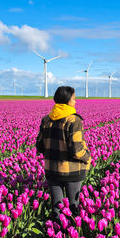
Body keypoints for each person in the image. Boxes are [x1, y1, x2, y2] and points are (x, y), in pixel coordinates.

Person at [36, 86, 91, 223]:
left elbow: (40, 146)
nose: (75, 101)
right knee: (73, 207)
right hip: (71, 171)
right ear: (67, 100)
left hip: (52, 170)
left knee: (56, 208)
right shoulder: (74, 120)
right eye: (73, 98)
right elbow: (77, 150)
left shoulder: (46, 120)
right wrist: (88, 157)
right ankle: (71, 236)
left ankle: (55, 236)